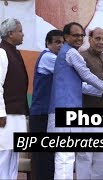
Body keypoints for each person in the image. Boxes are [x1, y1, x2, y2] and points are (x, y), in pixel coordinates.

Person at [47, 22, 103, 179]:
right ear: (66, 36)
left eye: (81, 35)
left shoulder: (65, 53)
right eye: (75, 35)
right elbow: (86, 75)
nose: (79, 38)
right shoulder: (72, 53)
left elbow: (80, 86)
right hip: (65, 109)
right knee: (66, 157)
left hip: (66, 110)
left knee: (66, 156)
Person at [75, 27, 103, 180]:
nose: (101, 42)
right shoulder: (80, 57)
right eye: (97, 38)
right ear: (89, 39)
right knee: (85, 155)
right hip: (85, 113)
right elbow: (78, 86)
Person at [29, 29, 64, 180]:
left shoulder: (52, 57)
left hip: (45, 115)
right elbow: (69, 73)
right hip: (41, 115)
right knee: (43, 159)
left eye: (63, 42)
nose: (61, 46)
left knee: (47, 158)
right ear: (48, 43)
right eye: (57, 42)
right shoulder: (49, 57)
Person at [0, 18, 28, 179]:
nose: (23, 34)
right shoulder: (2, 51)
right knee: (3, 154)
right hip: (5, 114)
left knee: (13, 154)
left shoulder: (15, 52)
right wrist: (1, 113)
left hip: (17, 113)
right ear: (10, 34)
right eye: (20, 31)